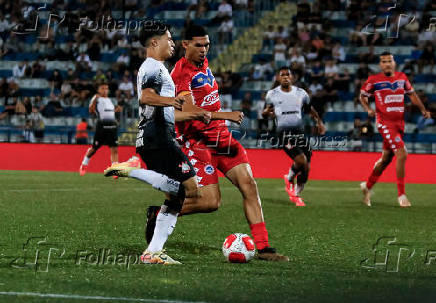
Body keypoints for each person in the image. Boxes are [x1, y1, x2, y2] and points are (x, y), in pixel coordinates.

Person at [165, 25, 289, 261]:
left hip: (221, 137)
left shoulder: (203, 63)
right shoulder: (181, 74)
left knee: (249, 184)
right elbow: (190, 111)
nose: (204, 50)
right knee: (211, 202)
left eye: (207, 45)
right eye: (199, 45)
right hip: (197, 142)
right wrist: (226, 115)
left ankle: (263, 247)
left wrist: (220, 121)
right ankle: (163, 213)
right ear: (185, 45)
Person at [103, 20, 210, 265]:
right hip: (158, 137)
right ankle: (132, 170)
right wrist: (171, 101)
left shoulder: (157, 68)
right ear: (155, 42)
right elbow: (146, 97)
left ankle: (152, 252)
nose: (172, 44)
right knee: (191, 190)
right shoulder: (152, 67)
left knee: (176, 196)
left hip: (155, 137)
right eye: (169, 39)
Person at [359, 51, 431, 207]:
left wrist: (423, 109)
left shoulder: (402, 77)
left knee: (386, 160)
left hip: (399, 124)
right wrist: (368, 109)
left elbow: (412, 95)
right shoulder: (374, 80)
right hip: (384, 123)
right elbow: (362, 96)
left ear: (394, 63)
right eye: (383, 61)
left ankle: (367, 186)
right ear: (380, 65)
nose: (386, 63)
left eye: (389, 61)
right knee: (402, 154)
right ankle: (401, 195)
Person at [263, 67, 325, 207]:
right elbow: (264, 113)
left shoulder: (301, 93)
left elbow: (310, 110)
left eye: (288, 74)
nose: (285, 77)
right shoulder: (272, 94)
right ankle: (290, 177)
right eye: (282, 75)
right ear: (278, 78)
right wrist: (267, 112)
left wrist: (319, 122)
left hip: (299, 132)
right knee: (301, 160)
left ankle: (296, 194)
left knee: (306, 166)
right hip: (283, 133)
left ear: (293, 78)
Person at [79, 83, 120, 176]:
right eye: (103, 88)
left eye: (107, 88)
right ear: (99, 90)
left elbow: (110, 112)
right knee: (94, 148)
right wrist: (94, 100)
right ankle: (84, 164)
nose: (105, 90)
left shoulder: (110, 100)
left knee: (114, 149)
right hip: (102, 126)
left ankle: (115, 170)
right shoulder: (96, 98)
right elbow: (91, 110)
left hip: (112, 126)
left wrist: (116, 114)